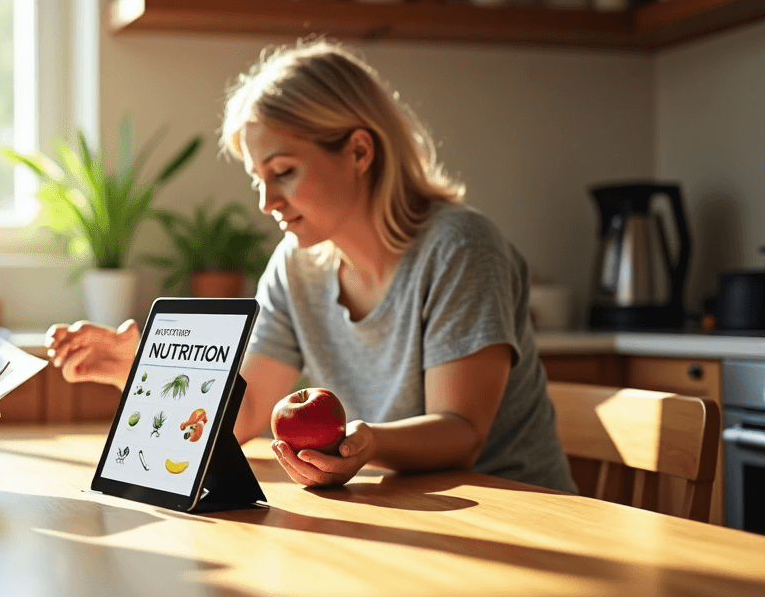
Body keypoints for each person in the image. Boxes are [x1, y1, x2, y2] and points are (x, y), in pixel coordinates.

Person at [46, 38, 576, 495]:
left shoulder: (460, 247)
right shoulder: (296, 267)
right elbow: (247, 416)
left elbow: (462, 431)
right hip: (405, 513)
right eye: (258, 178)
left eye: (284, 172)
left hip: (519, 513)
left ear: (360, 151)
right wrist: (144, 374)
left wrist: (368, 441)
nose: (266, 201)